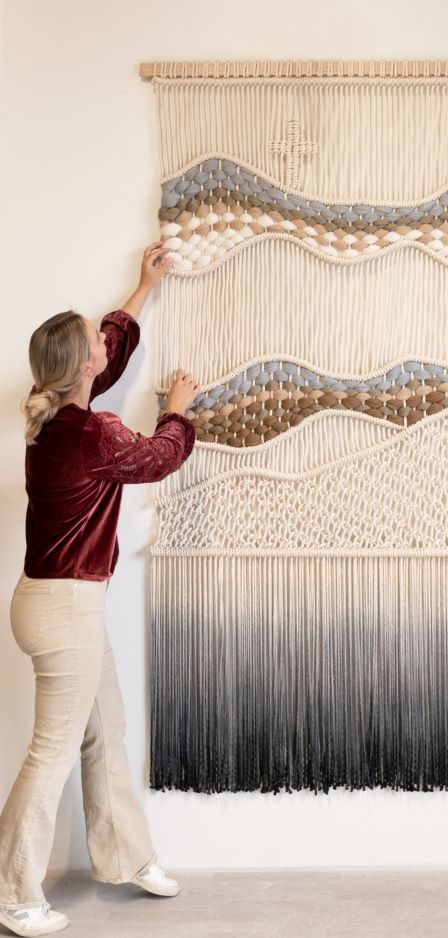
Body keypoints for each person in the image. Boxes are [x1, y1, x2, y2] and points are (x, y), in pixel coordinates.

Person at [0, 243, 199, 937]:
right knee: (52, 751)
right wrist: (179, 409)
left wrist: (142, 288)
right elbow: (158, 457)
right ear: (81, 366)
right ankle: (15, 895)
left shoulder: (50, 408)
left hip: (53, 604)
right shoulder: (92, 433)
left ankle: (128, 859)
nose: (101, 344)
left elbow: (106, 350)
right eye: (92, 342)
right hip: (64, 610)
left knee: (103, 734)